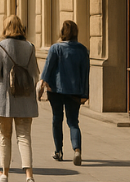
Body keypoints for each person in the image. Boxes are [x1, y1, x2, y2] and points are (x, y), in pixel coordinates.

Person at [0, 15, 40, 182]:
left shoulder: (0, 48)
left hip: (4, 100)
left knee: (5, 135)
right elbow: (35, 74)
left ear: (5, 27)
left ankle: (4, 173)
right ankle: (29, 175)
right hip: (25, 99)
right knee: (24, 136)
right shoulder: (30, 47)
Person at [38, 20, 90, 166]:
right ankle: (77, 150)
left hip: (56, 90)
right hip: (74, 91)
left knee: (57, 119)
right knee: (73, 122)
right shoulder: (83, 50)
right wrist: (85, 94)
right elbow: (85, 73)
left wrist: (42, 83)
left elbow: (48, 69)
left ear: (62, 32)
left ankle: (58, 151)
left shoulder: (56, 48)